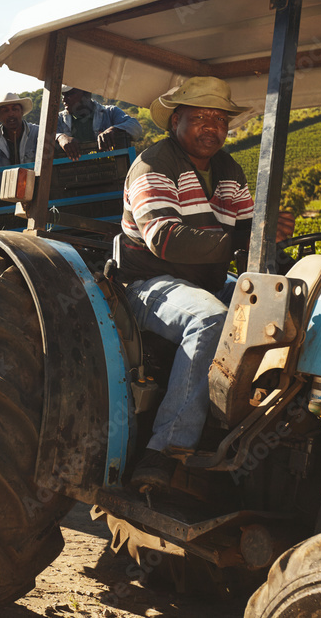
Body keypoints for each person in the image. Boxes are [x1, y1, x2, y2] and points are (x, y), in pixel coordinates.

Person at [118, 76, 294, 494]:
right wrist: (242, 239)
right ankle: (165, 449)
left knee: (282, 309)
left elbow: (248, 230)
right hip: (150, 282)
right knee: (212, 320)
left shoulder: (228, 169)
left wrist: (271, 233)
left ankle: (258, 423)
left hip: (209, 280)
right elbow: (165, 239)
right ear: (175, 120)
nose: (212, 127)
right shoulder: (153, 165)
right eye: (200, 117)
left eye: (219, 118)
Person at [0, 92, 39, 200]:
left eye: (15, 109)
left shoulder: (37, 132)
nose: (11, 114)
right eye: (5, 111)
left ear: (21, 112)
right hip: (5, 199)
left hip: (35, 197)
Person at [56, 86, 143, 161]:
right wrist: (60, 137)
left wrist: (114, 130)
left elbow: (136, 126)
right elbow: (44, 136)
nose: (64, 99)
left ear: (87, 94)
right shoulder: (59, 119)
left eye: (70, 94)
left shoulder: (110, 112)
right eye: (63, 95)